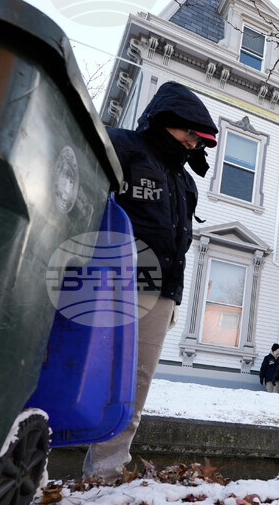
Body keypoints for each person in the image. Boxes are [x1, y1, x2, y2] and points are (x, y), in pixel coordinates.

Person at [83, 81, 218, 482]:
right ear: (167, 122)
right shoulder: (121, 146)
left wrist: (173, 299)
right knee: (74, 371)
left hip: (161, 295)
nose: (194, 145)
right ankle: (28, 460)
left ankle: (106, 470)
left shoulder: (185, 183)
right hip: (109, 285)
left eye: (200, 140)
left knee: (134, 386)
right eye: (190, 134)